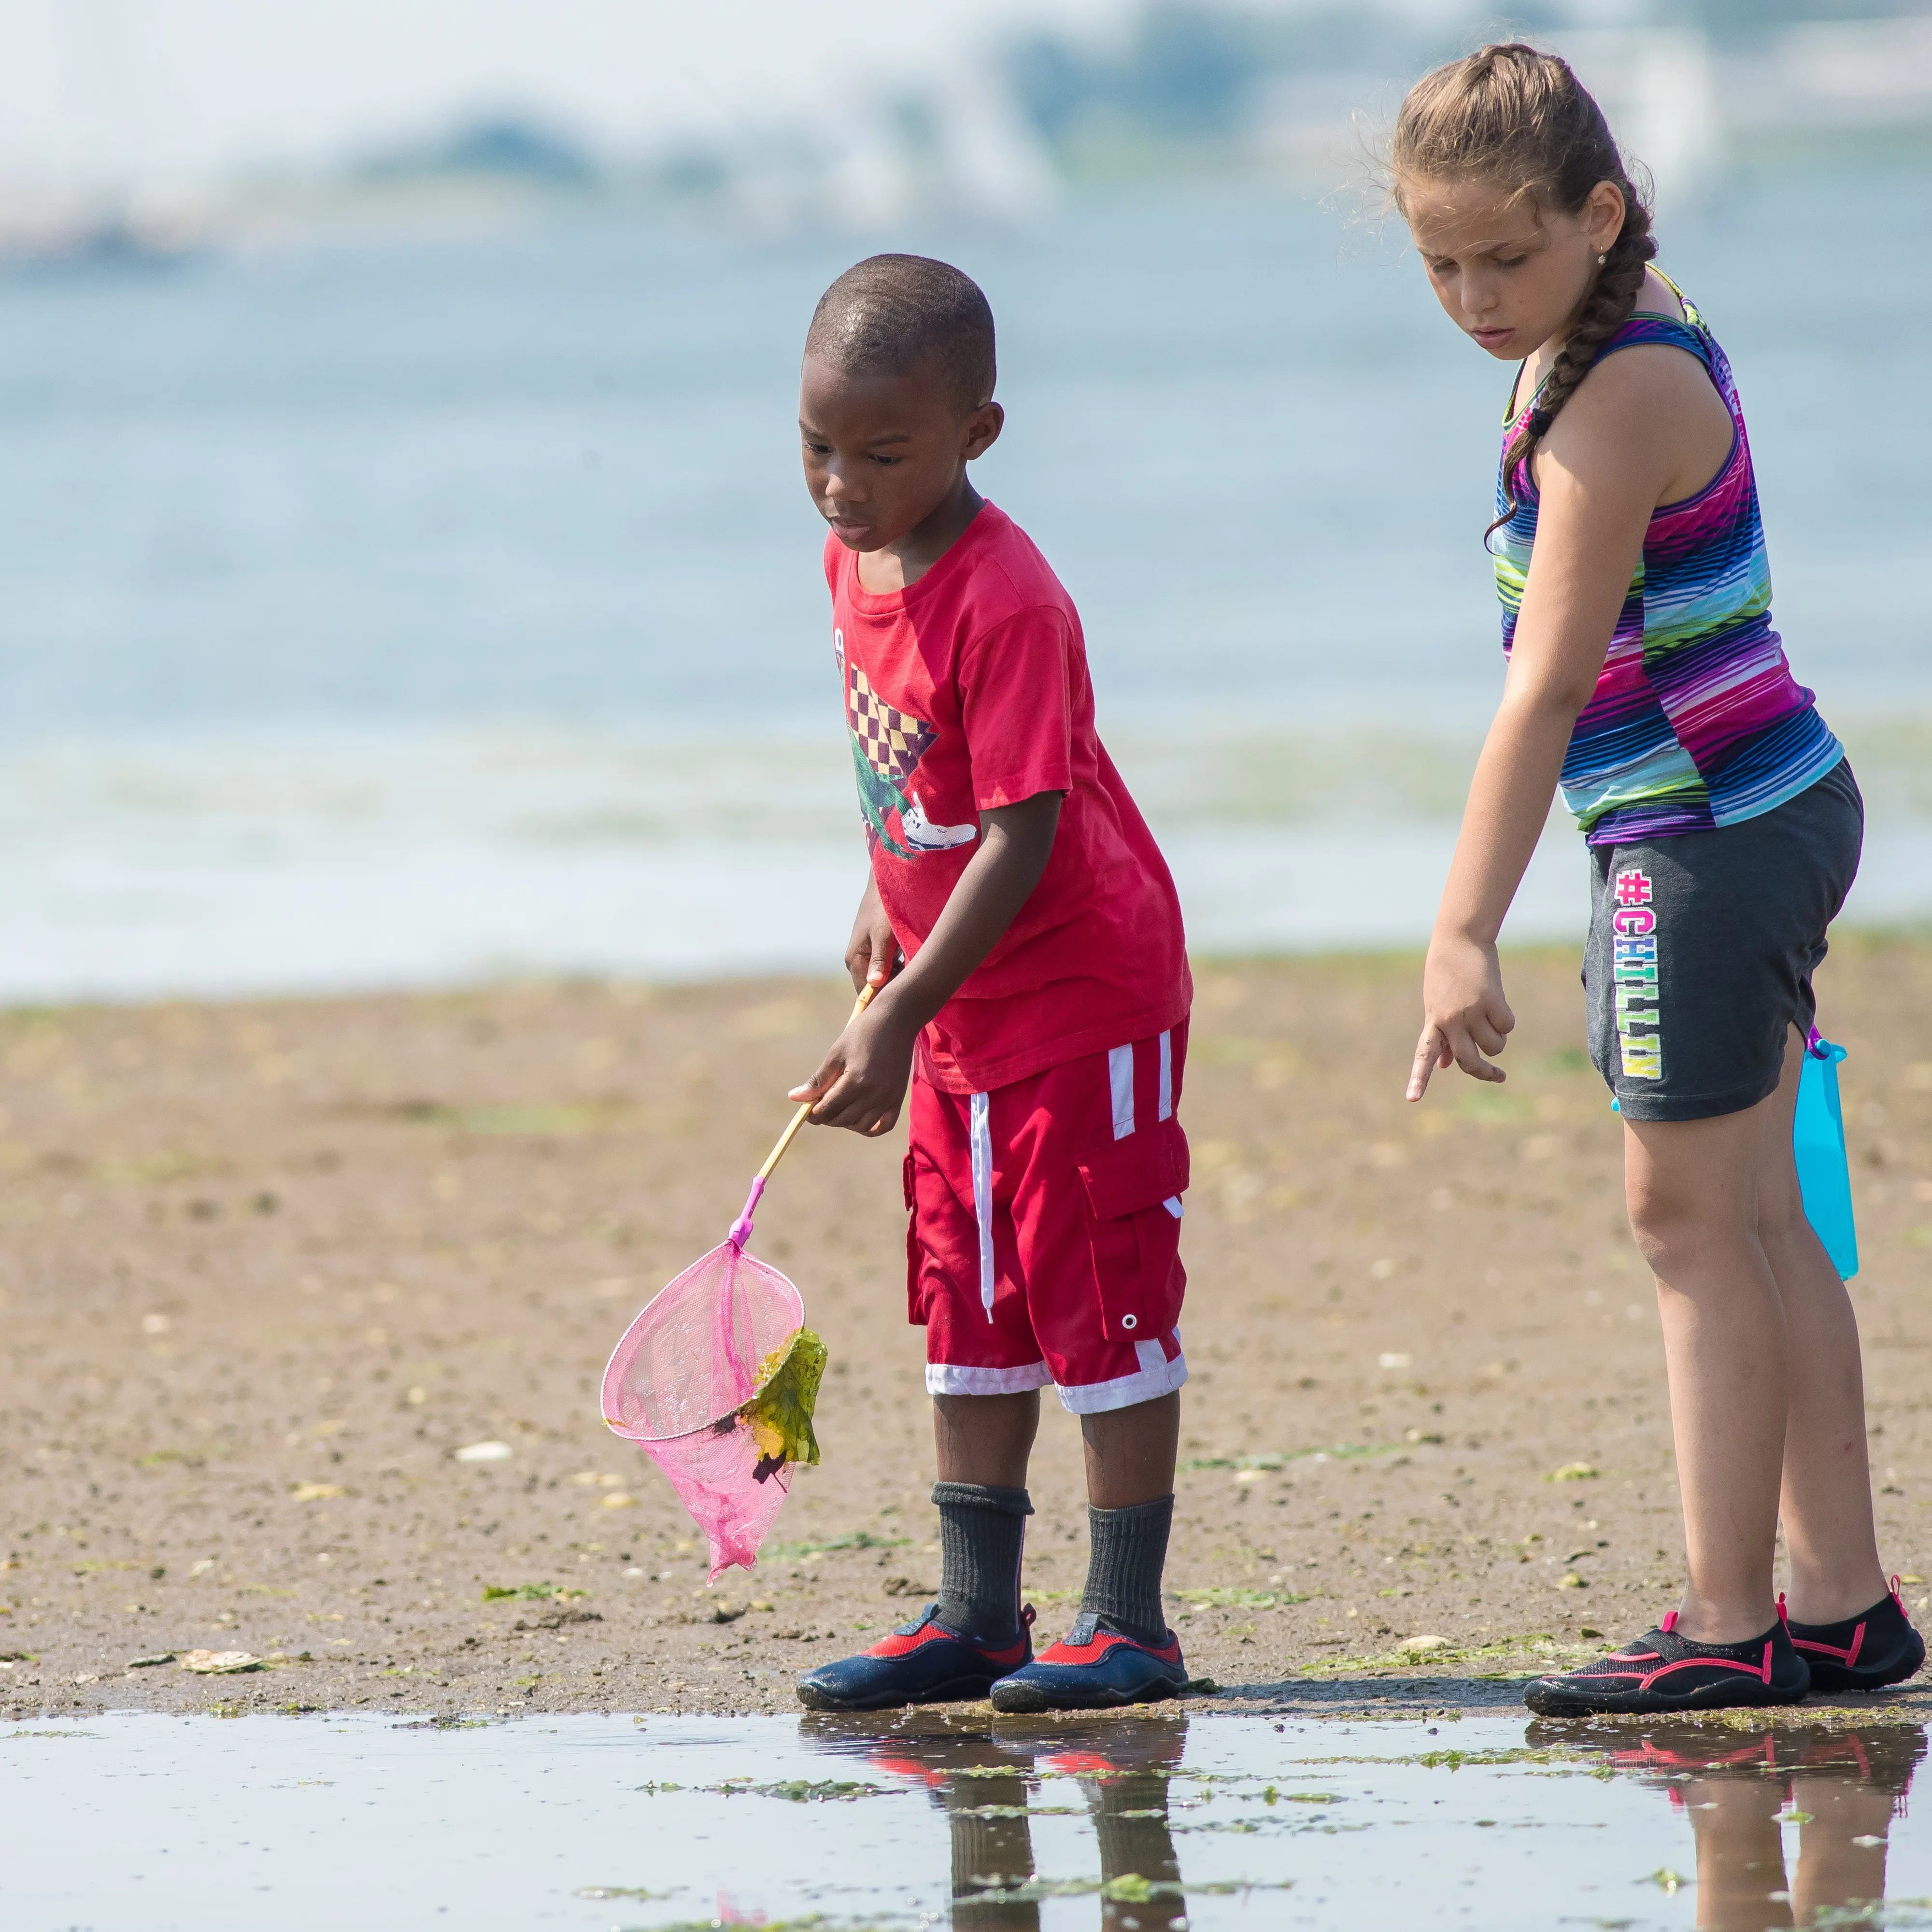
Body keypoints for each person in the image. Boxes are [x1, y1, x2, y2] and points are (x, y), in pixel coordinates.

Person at [1392, 44, 1922, 1716]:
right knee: (1756, 1214)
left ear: (1600, 213)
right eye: (1439, 262)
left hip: (1702, 837)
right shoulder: (1615, 327)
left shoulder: (1617, 389)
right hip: (1763, 804)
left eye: (1505, 255)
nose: (1474, 294)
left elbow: (1547, 686)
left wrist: (1461, 927)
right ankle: (1842, 1610)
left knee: (1685, 1221)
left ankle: (1723, 1624)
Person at [784, 255, 1195, 1713]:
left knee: (1097, 1284)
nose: (842, 485)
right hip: (957, 996)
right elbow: (921, 774)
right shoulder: (855, 559)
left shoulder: (1008, 598)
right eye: (819, 447)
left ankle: (1128, 1621)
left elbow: (1028, 829)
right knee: (968, 1292)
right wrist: (881, 900)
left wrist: (894, 1010)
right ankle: (979, 1616)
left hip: (1081, 990)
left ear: (979, 433)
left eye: (883, 455)